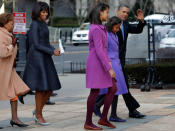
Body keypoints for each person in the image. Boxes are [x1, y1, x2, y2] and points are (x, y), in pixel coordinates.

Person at [94, 4, 146, 120]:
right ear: (117, 11)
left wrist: (142, 21)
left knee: (119, 87)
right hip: (112, 63)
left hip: (119, 61)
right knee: (118, 87)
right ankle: (101, 107)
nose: (125, 14)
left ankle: (103, 108)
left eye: (127, 12)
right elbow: (103, 48)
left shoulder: (126, 25)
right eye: (123, 12)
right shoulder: (109, 26)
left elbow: (138, 29)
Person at [23, 1, 61, 125]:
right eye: (43, 12)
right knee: (40, 88)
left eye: (46, 12)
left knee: (50, 88)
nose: (45, 14)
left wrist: (53, 49)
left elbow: (44, 42)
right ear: (37, 12)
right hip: (37, 59)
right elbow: (36, 44)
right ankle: (39, 115)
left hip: (45, 57)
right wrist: (52, 51)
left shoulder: (43, 24)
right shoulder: (34, 24)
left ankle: (38, 110)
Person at [84, 2, 117, 130]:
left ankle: (103, 119)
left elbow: (104, 49)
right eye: (106, 12)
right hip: (96, 63)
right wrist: (109, 68)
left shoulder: (100, 27)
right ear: (100, 12)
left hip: (101, 62)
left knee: (112, 88)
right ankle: (88, 122)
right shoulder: (96, 29)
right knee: (95, 91)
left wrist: (109, 64)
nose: (108, 14)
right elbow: (99, 50)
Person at [0, 13, 30, 128]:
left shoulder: (6, 33)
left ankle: (15, 118)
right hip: (2, 70)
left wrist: (14, 59)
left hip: (8, 69)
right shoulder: (1, 34)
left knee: (16, 92)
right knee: (9, 92)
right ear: (4, 23)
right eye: (11, 23)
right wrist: (12, 45)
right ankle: (15, 118)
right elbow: (3, 53)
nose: (13, 25)